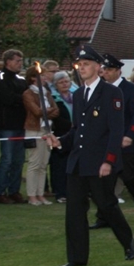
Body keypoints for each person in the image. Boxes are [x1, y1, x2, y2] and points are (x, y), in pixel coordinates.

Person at [45, 45, 134, 266]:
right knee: (74, 211)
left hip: (100, 161)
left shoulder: (111, 93)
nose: (82, 68)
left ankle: (127, 240)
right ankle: (77, 257)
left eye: (86, 64)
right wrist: (60, 141)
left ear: (98, 67)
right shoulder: (78, 95)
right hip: (78, 161)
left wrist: (109, 160)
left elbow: (116, 130)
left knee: (107, 206)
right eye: (80, 64)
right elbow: (77, 129)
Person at [90, 54, 134, 225]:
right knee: (105, 180)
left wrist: (130, 135)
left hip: (125, 142)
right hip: (107, 141)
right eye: (104, 70)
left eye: (109, 70)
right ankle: (104, 216)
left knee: (129, 178)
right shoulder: (101, 89)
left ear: (118, 71)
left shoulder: (130, 89)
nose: (106, 73)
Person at [0, 49, 28, 204]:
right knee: (7, 159)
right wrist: (23, 99)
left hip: (21, 123)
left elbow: (27, 95)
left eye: (21, 61)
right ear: (8, 62)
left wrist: (23, 99)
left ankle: (14, 190)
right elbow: (7, 98)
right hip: (6, 124)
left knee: (18, 160)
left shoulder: (21, 79)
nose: (20, 64)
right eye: (17, 61)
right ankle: (1, 192)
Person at [22, 65, 60, 205]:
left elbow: (56, 110)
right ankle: (32, 195)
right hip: (34, 130)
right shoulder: (28, 93)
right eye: (42, 75)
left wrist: (47, 111)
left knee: (43, 164)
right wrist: (47, 110)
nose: (45, 78)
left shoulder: (47, 92)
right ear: (33, 78)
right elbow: (37, 111)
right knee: (34, 163)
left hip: (47, 129)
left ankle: (40, 193)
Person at [48, 71, 75, 203]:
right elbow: (56, 117)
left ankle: (74, 191)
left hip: (75, 133)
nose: (64, 84)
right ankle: (60, 192)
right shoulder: (53, 98)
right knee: (60, 165)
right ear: (56, 85)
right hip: (61, 132)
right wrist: (71, 125)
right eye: (61, 82)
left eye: (66, 81)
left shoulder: (75, 96)